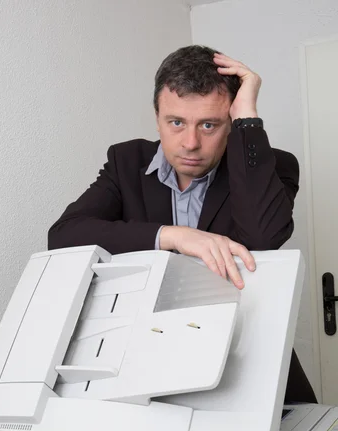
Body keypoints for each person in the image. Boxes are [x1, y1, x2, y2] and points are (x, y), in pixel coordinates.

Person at [48, 45, 316, 404]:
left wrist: (248, 118)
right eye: (176, 123)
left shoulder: (271, 165)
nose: (191, 143)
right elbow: (64, 236)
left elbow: (263, 238)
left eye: (209, 124)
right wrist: (171, 236)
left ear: (230, 122)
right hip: (149, 367)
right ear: (156, 116)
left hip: (251, 367)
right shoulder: (126, 162)